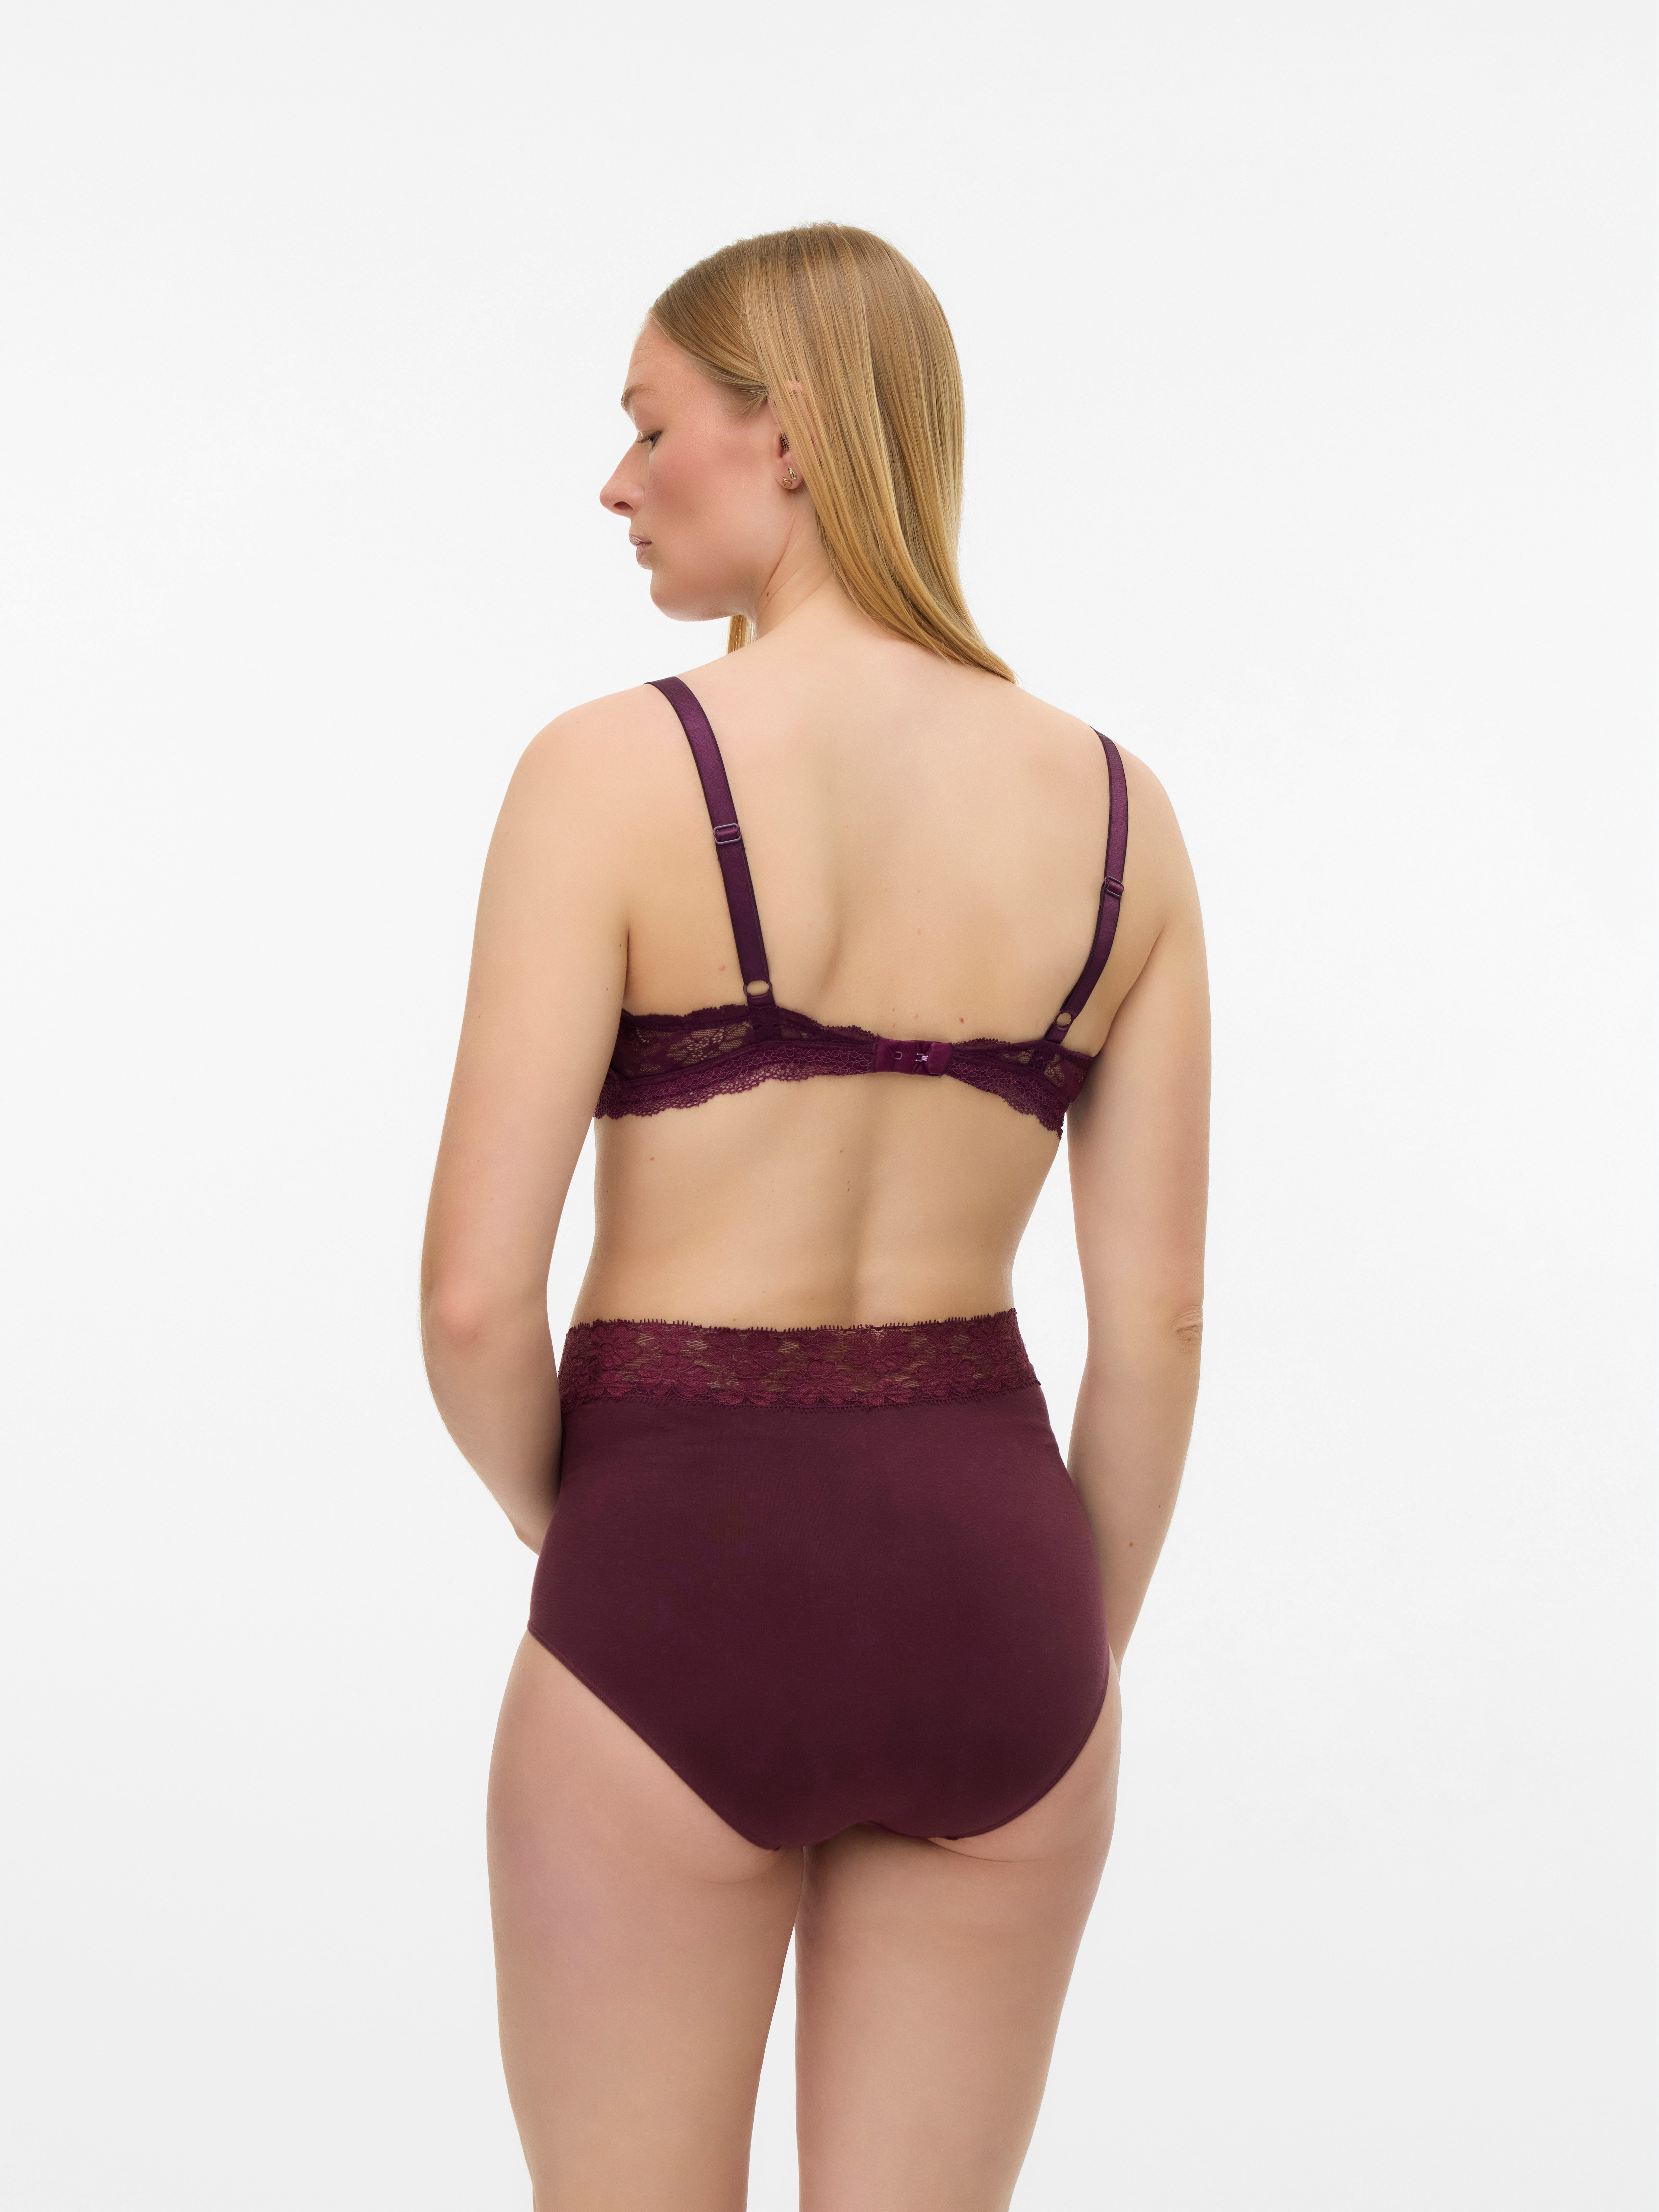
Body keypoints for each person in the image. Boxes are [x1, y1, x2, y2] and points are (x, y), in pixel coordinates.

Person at [421, 222, 1209, 2212]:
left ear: (786, 436)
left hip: (678, 1571)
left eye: (649, 424)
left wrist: (598, 1532)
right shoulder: (1125, 814)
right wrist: (1057, 1646)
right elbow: (1160, 1328)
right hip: (1002, 1595)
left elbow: (473, 1303)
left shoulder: (609, 773)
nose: (616, 483)